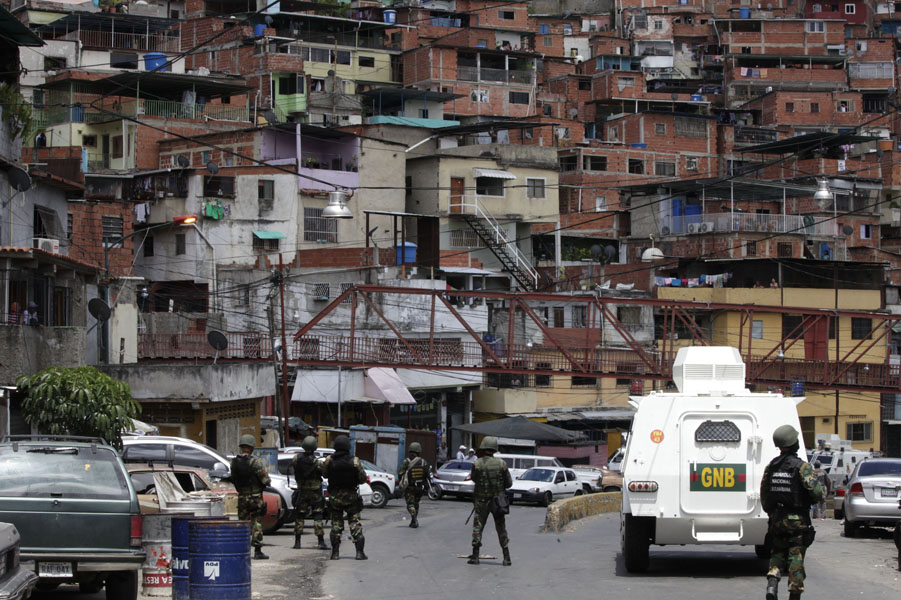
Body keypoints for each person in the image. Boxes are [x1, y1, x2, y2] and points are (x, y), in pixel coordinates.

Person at [761, 425, 824, 600]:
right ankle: (794, 594)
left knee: (777, 553)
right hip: (797, 521)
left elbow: (764, 496)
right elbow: (818, 493)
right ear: (794, 443)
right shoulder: (802, 467)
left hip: (777, 519)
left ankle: (772, 583)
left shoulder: (771, 467)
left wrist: (772, 514)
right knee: (795, 557)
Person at [467, 436, 513, 567]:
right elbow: (509, 483)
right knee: (501, 528)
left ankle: (475, 556)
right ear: (494, 449)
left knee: (478, 527)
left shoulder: (477, 464)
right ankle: (506, 557)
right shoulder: (502, 464)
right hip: (498, 502)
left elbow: (474, 479)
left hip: (481, 501)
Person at [320, 435, 368, 560]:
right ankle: (359, 553)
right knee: (355, 523)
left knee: (336, 525)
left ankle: (335, 553)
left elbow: (324, 474)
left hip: (335, 497)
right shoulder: (355, 461)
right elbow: (363, 479)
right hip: (351, 497)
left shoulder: (329, 460)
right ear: (348, 446)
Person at [230, 434, 271, 560]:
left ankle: (241, 550)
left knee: (242, 523)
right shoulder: (255, 462)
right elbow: (265, 480)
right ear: (252, 447)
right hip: (255, 497)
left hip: (242, 497)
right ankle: (258, 551)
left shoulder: (234, 462)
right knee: (256, 522)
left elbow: (234, 479)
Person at [291, 436, 328, 550]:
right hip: (315, 492)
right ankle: (320, 542)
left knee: (300, 515)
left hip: (302, 491)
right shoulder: (317, 462)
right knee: (317, 515)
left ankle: (297, 542)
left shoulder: (296, 458)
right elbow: (325, 474)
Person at [398, 442, 430, 528]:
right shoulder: (423, 462)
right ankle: (413, 520)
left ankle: (414, 519)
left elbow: (400, 473)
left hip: (409, 487)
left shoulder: (406, 461)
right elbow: (428, 475)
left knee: (410, 504)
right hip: (419, 487)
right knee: (416, 504)